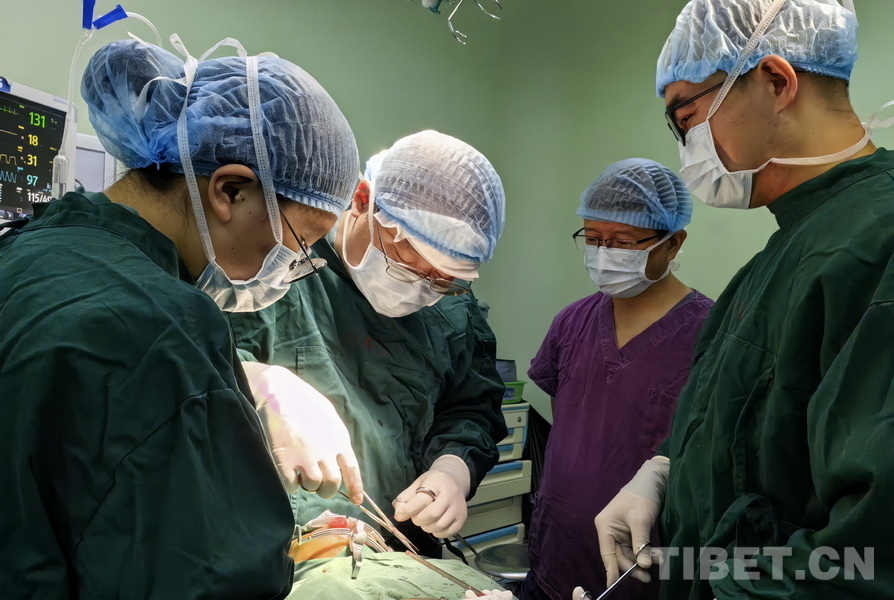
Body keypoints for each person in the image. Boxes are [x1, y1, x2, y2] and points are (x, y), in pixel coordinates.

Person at [0, 37, 362, 598]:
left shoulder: (28, 250)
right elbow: (204, 577)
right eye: (299, 241)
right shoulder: (162, 326)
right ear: (229, 191)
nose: (294, 266)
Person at [594, 1, 894, 599]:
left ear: (777, 81)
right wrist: (668, 469)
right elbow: (757, 434)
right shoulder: (783, 256)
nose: (687, 145)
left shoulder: (876, 246)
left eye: (686, 115)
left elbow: (867, 560)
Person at [230, 130, 508, 556]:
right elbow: (187, 360)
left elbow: (471, 407)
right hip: (278, 551)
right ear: (362, 200)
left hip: (399, 548)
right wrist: (256, 379)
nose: (423, 286)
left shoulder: (453, 310)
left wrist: (453, 468)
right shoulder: (274, 262)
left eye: (444, 279)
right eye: (408, 262)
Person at [517, 159, 713, 600]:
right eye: (592, 238)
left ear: (673, 242)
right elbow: (573, 430)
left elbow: (712, 456)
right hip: (554, 559)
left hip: (643, 570)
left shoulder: (711, 336)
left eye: (622, 242)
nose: (604, 253)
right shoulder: (571, 323)